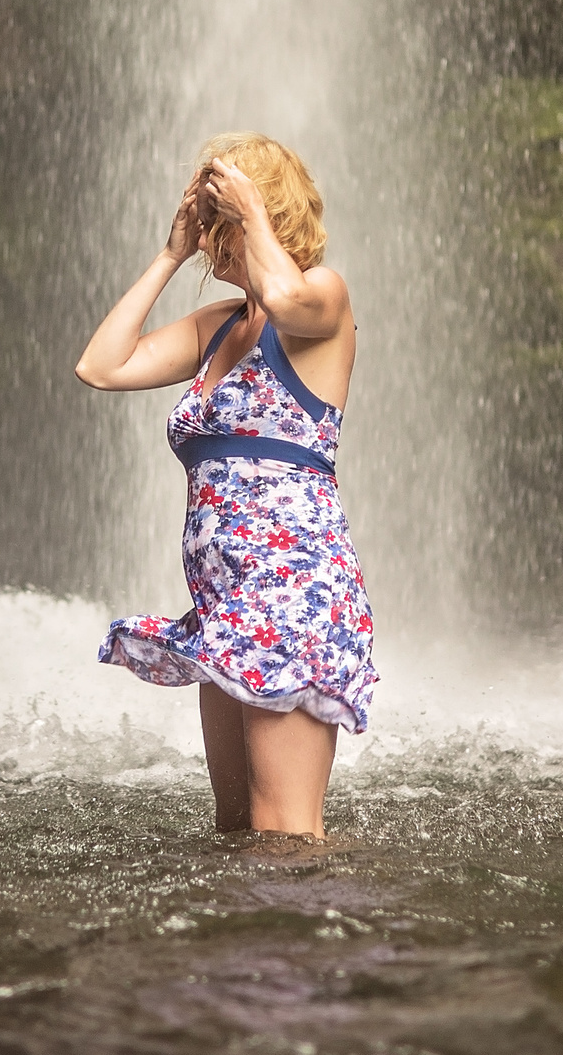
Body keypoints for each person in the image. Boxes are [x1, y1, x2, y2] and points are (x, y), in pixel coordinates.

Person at [75, 133, 376, 838]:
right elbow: (101, 365)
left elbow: (283, 291)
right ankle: (253, 949)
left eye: (223, 223)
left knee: (283, 834)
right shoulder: (218, 327)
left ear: (264, 215)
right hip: (225, 606)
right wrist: (170, 254)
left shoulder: (322, 300)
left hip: (292, 595)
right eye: (211, 223)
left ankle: (327, 944)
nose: (216, 239)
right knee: (236, 829)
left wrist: (253, 210)